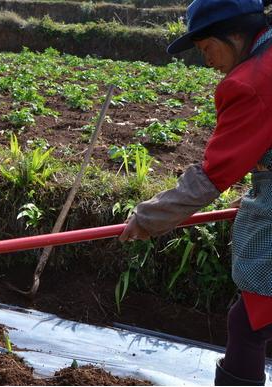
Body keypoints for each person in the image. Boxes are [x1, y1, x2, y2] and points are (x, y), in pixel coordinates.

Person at [118, 0, 272, 385]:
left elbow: (212, 176)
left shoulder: (252, 81)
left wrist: (149, 218)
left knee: (250, 321)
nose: (207, 62)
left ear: (234, 33)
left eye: (206, 49)